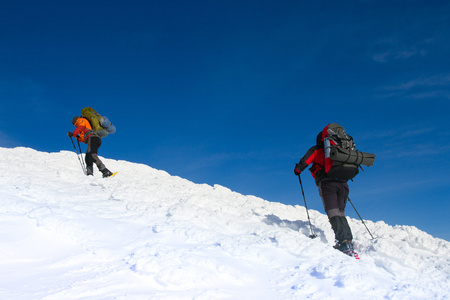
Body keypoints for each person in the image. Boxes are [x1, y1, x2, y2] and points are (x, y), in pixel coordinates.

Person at [294, 127, 358, 258]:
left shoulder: (317, 150)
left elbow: (304, 162)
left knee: (333, 214)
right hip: (343, 184)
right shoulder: (341, 149)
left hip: (328, 184)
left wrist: (297, 170)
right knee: (341, 213)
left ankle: (344, 243)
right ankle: (348, 241)